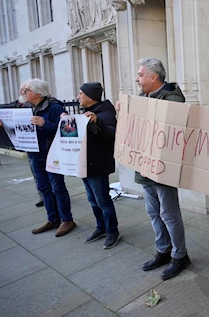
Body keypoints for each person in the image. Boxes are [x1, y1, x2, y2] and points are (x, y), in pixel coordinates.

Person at [123, 58, 190, 280]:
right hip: (144, 168)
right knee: (153, 212)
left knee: (168, 214)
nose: (137, 79)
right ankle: (163, 250)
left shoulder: (172, 99)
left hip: (162, 169)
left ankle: (180, 255)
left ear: (153, 77)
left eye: (140, 75)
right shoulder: (143, 99)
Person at [0, 79, 76, 236]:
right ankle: (52, 219)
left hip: (52, 154)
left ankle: (67, 220)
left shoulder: (55, 107)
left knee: (57, 187)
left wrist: (43, 123)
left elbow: (67, 131)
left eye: (27, 90)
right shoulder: (27, 108)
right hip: (35, 154)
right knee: (44, 188)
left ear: (38, 93)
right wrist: (5, 123)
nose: (23, 93)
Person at [77, 82, 121, 249]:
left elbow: (111, 135)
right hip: (85, 164)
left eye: (81, 94)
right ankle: (101, 227)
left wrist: (98, 122)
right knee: (92, 200)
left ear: (90, 97)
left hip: (98, 165)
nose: (78, 97)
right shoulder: (86, 112)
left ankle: (112, 231)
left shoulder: (106, 114)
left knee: (103, 201)